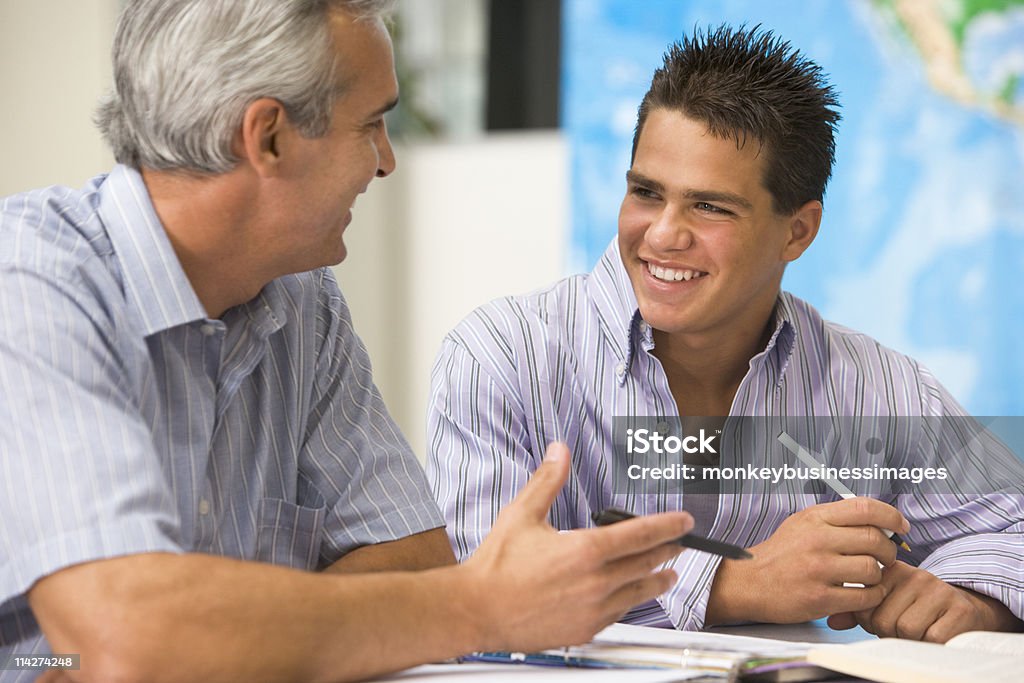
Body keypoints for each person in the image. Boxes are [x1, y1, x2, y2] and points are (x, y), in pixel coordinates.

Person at [0, 1, 696, 681]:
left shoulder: (301, 301)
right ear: (267, 137)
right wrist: (479, 605)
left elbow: (413, 554)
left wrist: (211, 637)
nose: (386, 161)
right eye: (371, 125)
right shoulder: (31, 283)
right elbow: (131, 641)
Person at [428, 24, 1024, 642]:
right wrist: (737, 582)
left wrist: (971, 601)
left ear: (798, 232)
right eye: (645, 192)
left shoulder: (880, 387)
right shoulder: (499, 356)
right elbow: (479, 586)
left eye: (710, 207)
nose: (662, 234)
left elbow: (1013, 532)